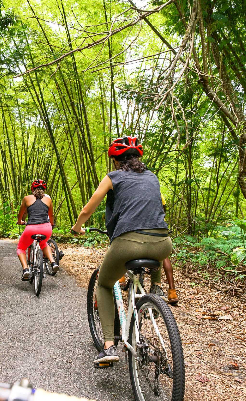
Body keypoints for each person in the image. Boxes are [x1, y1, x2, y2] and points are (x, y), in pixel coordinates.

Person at [71, 137, 172, 365]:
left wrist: (77, 227)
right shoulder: (152, 176)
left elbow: (89, 208)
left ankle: (108, 347)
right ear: (138, 158)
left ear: (116, 161)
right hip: (163, 243)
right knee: (152, 252)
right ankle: (154, 290)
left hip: (128, 243)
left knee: (105, 284)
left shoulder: (114, 177)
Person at [16, 179, 59, 280]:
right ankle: (53, 263)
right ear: (44, 190)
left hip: (31, 228)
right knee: (44, 244)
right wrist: (51, 225)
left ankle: (26, 269)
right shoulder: (48, 200)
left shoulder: (27, 198)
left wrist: (20, 221)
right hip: (46, 228)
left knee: (21, 248)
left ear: (32, 189)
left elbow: (21, 213)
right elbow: (51, 215)